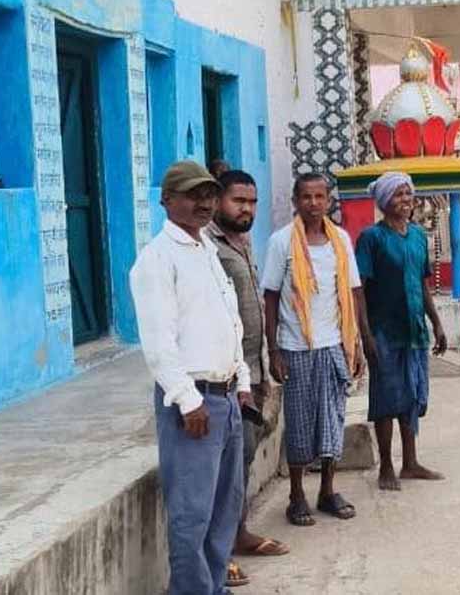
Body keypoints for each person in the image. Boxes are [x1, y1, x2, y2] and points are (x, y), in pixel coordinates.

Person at [130, 160, 255, 595]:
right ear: (167, 200)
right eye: (192, 195)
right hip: (195, 404)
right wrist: (187, 399)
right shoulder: (157, 260)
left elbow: (229, 323)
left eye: (208, 195)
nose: (203, 203)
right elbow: (158, 343)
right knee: (191, 516)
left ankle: (214, 587)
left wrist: (242, 381)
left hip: (226, 399)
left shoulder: (207, 251)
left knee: (223, 510)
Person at [261, 172, 364, 526]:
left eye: (320, 196)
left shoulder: (341, 240)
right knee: (300, 425)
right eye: (306, 196)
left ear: (329, 201)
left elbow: (353, 292)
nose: (313, 203)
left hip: (334, 345)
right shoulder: (281, 242)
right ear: (295, 201)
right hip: (296, 347)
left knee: (333, 422)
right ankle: (296, 495)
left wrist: (357, 344)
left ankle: (327, 491)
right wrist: (274, 350)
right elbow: (271, 296)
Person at [204, 170, 290, 588]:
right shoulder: (208, 246)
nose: (247, 209)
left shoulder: (241, 241)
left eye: (252, 202)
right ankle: (217, 556)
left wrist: (265, 363)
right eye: (239, 201)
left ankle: (236, 534)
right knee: (221, 474)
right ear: (218, 200)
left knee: (243, 462)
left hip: (251, 373)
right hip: (225, 378)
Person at [354, 172, 447, 492]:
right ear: (383, 202)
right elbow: (359, 290)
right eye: (397, 194)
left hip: (414, 330)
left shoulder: (418, 236)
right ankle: (386, 466)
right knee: (385, 398)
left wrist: (436, 322)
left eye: (408, 193)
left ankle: (411, 462)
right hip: (383, 330)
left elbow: (422, 283)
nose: (405, 200)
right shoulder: (371, 238)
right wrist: (365, 335)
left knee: (411, 394)